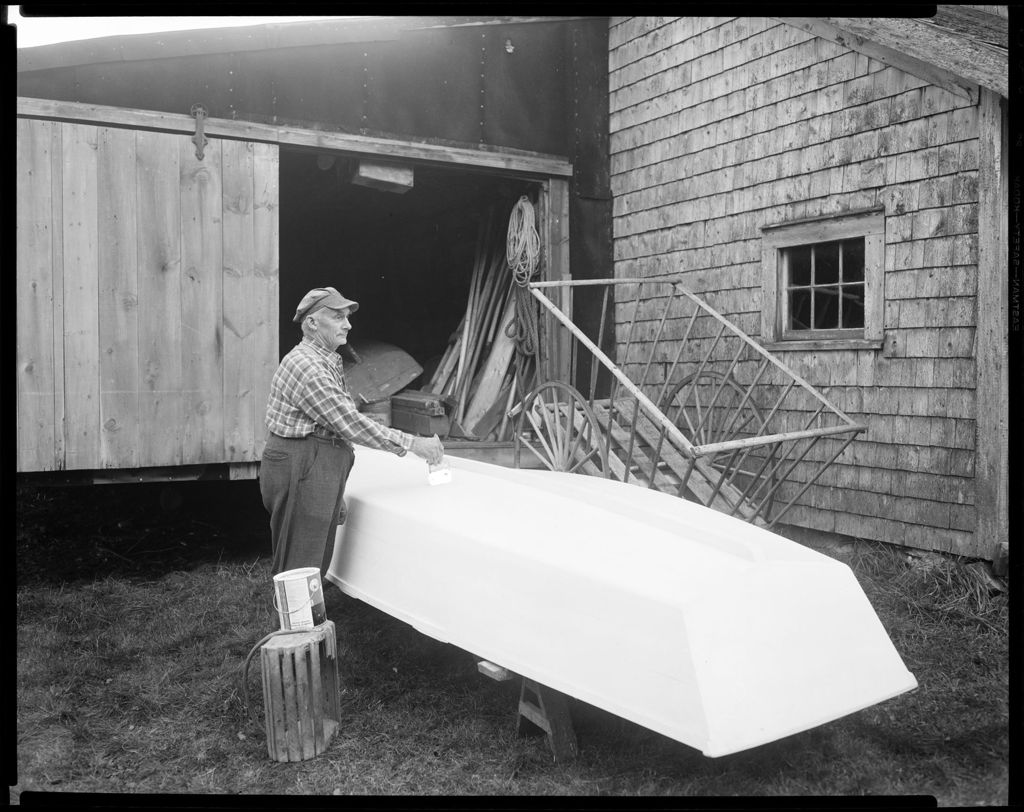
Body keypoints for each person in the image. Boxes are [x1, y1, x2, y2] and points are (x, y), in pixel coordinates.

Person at [260, 286, 444, 578]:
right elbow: (349, 422)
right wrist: (413, 444)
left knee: (312, 559)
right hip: (303, 462)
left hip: (315, 462)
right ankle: (296, 623)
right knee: (299, 565)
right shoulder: (307, 366)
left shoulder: (326, 359)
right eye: (336, 317)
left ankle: (307, 619)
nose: (347, 324)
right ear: (311, 324)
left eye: (347, 317)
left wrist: (334, 488)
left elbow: (335, 424)